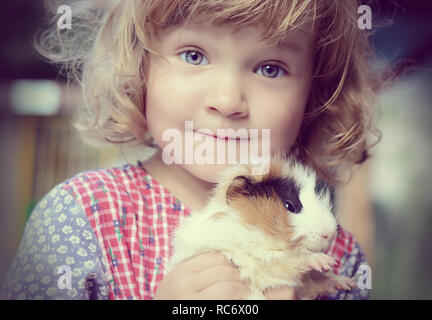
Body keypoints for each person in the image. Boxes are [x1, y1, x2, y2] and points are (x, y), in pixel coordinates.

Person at [1, 0, 381, 300]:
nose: (228, 100)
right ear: (139, 67)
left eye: (270, 68)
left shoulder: (337, 254)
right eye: (193, 55)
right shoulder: (82, 216)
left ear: (315, 95)